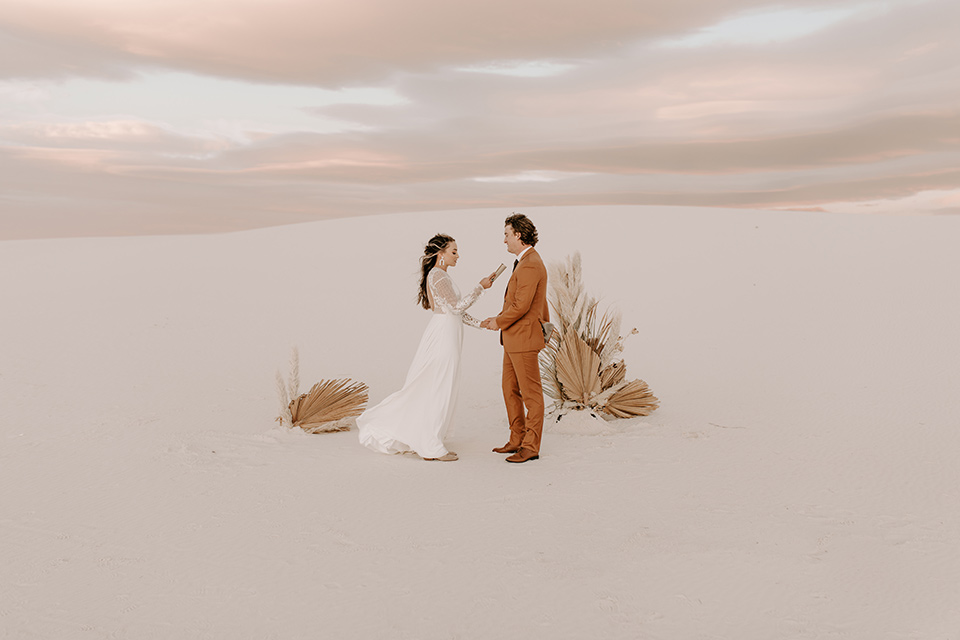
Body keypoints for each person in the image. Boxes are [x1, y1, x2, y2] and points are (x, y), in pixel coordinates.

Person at [357, 234, 494, 462]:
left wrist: (479, 323)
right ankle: (431, 446)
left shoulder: (441, 276)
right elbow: (456, 307)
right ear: (441, 253)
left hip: (449, 332)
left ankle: (430, 439)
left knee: (440, 383)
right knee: (438, 385)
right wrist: (480, 287)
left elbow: (454, 312)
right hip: (443, 337)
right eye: (454, 251)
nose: (458, 256)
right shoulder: (438, 276)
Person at [481, 213, 549, 463]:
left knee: (531, 395)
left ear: (518, 235)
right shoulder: (524, 261)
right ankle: (516, 438)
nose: (505, 240)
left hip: (523, 338)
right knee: (510, 389)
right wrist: (498, 320)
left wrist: (497, 322)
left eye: (507, 235)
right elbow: (517, 303)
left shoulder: (531, 263)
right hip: (512, 337)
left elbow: (521, 306)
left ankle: (531, 446)